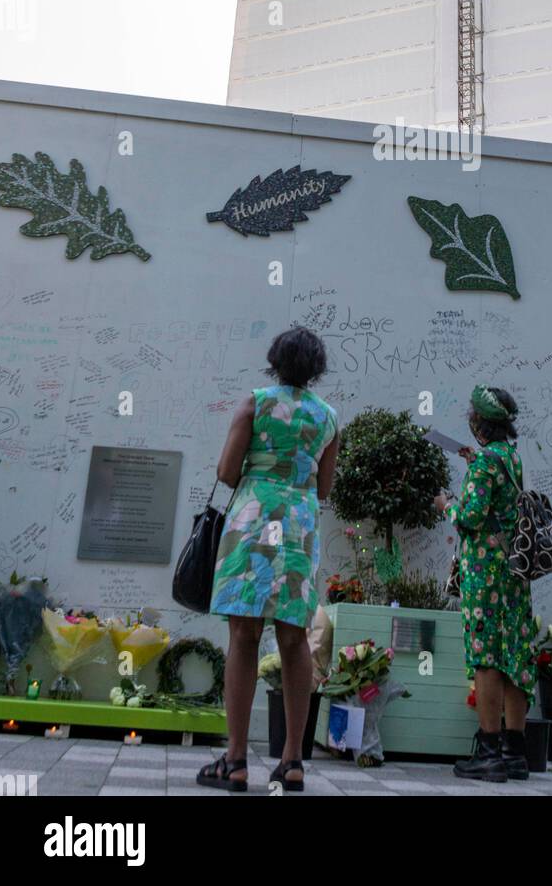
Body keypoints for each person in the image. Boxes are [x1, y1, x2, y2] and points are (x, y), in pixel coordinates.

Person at [197, 326, 339, 793]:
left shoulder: (254, 404)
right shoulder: (328, 418)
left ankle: (236, 760)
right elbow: (324, 489)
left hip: (255, 519)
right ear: (315, 369)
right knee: (295, 639)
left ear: (274, 360)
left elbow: (225, 471)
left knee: (244, 635)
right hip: (298, 527)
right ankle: (292, 761)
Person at [434, 384, 536, 782]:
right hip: (513, 569)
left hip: (485, 570)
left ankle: (488, 751)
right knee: (513, 651)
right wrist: (476, 462)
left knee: (485, 653)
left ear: (478, 423)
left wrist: (446, 505)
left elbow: (470, 517)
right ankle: (514, 751)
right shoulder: (509, 457)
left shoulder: (484, 465)